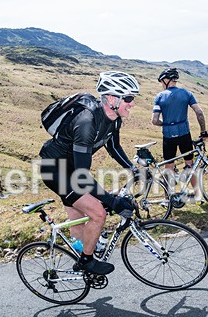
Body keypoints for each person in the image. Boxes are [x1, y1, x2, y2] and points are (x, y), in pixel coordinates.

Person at [39, 71, 138, 276]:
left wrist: (133, 169)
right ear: (112, 98)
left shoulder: (114, 118)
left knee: (81, 221)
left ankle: (76, 261)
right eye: (128, 98)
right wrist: (112, 201)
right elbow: (82, 177)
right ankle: (86, 261)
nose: (132, 104)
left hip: (72, 170)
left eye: (132, 98)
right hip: (57, 172)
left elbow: (113, 146)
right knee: (98, 213)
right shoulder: (86, 122)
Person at [151, 68, 207, 198]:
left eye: (161, 81)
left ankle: (168, 199)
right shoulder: (187, 93)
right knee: (190, 164)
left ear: (166, 80)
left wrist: (165, 124)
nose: (161, 84)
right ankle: (197, 195)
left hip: (168, 136)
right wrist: (203, 131)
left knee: (168, 168)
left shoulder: (159, 97)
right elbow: (199, 112)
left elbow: (154, 121)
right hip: (184, 134)